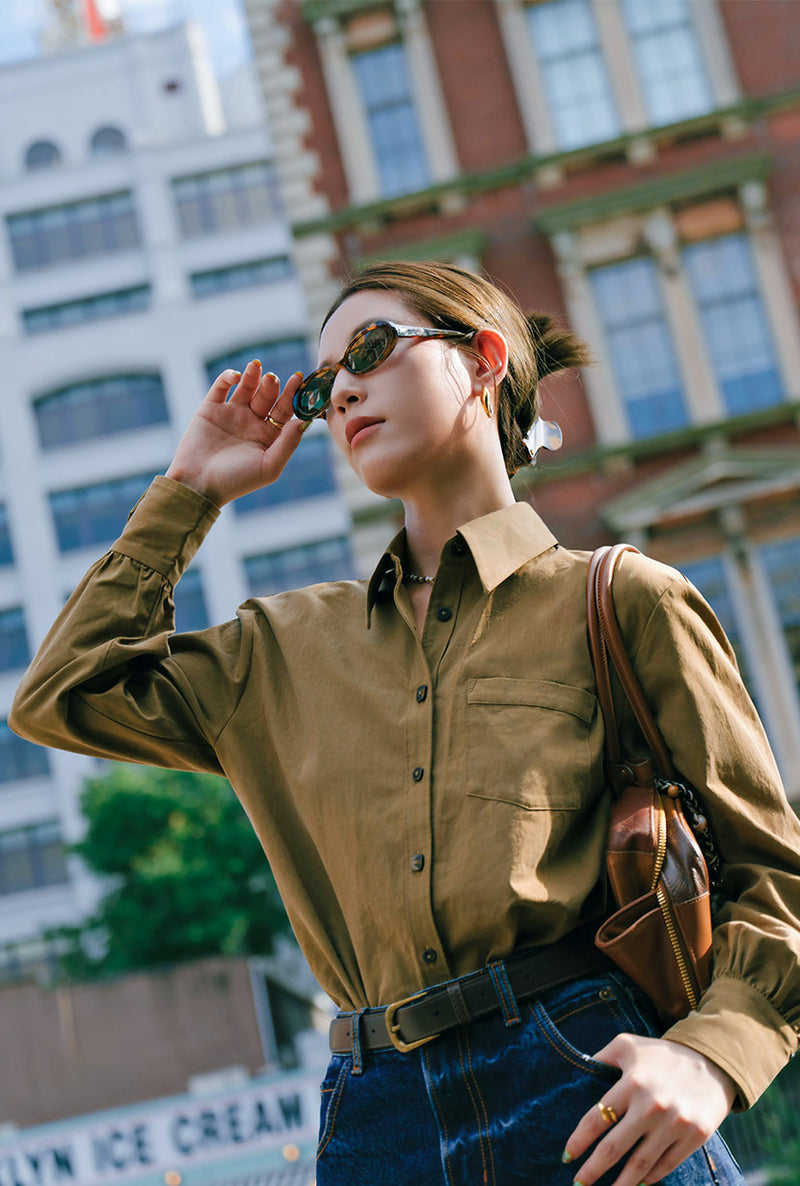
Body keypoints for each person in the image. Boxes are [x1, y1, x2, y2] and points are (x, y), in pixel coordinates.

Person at [11, 260, 800, 1186]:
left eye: (372, 350)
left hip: (592, 1088)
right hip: (376, 1123)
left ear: (483, 361)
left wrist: (711, 1058)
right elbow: (63, 691)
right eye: (322, 385)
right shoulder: (281, 649)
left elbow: (774, 877)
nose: (342, 391)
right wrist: (192, 490)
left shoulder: (621, 600)